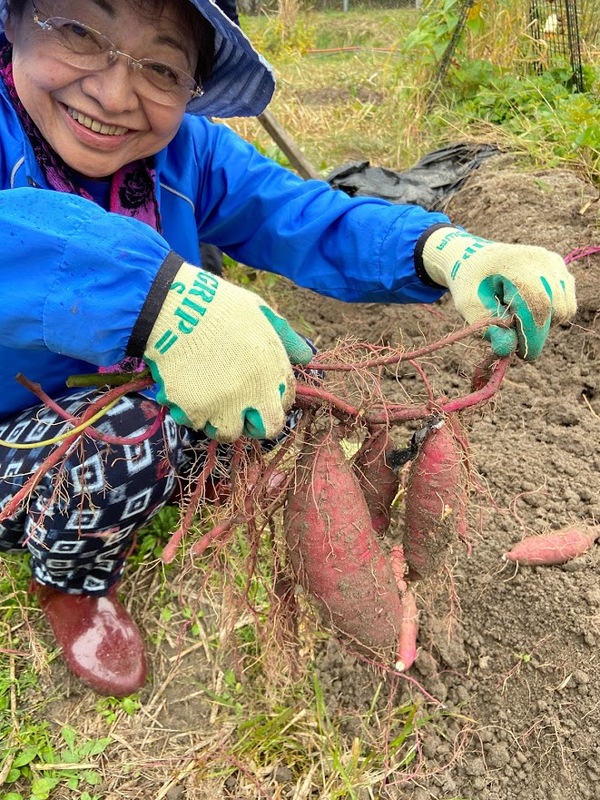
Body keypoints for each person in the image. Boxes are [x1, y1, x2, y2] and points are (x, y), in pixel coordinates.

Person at [0, 0, 576, 697]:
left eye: (160, 66)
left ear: (193, 88)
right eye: (81, 32)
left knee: (279, 376)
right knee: (129, 437)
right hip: (19, 431)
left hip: (151, 381)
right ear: (15, 24)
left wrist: (440, 249)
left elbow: (303, 215)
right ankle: (72, 579)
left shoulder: (188, 152)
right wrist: (149, 298)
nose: (116, 93)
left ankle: (201, 475)